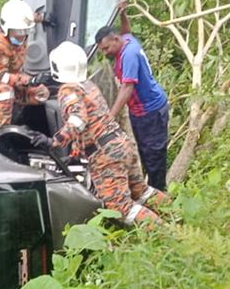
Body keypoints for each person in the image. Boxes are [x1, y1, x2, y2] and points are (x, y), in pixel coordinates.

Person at [43, 42, 165, 225]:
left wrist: (54, 141)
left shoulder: (67, 90)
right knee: (141, 191)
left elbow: (78, 120)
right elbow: (93, 122)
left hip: (106, 154)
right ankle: (178, 215)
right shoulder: (88, 85)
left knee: (119, 208)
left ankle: (170, 235)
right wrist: (75, 153)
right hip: (121, 144)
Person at [94, 5, 169, 191]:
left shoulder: (129, 55)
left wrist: (109, 117)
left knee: (153, 158)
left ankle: (160, 196)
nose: (105, 53)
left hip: (150, 112)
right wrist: (123, 14)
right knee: (145, 153)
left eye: (106, 48)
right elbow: (128, 31)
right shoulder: (126, 40)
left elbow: (127, 88)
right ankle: (152, 192)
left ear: (115, 39)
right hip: (141, 111)